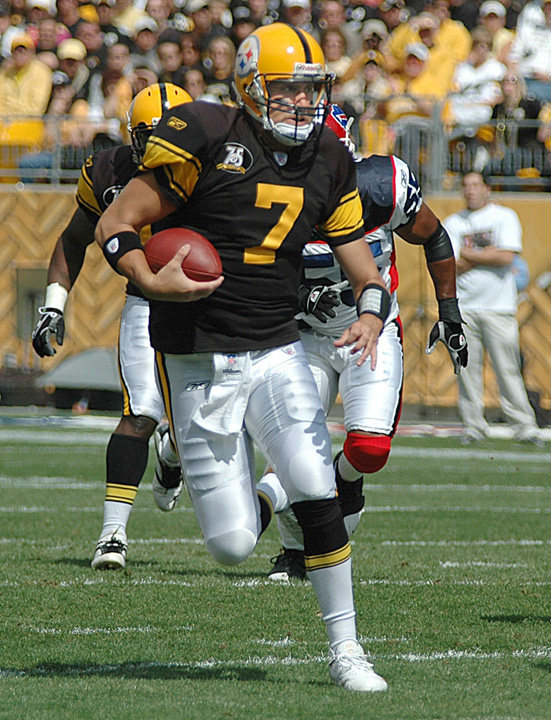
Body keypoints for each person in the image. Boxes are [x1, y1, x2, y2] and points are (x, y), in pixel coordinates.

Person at [94, 22, 390, 693]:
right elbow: (116, 226)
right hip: (197, 356)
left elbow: (364, 268)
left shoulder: (328, 156)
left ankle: (347, 649)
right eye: (287, 89)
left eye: (311, 89)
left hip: (278, 345)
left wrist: (372, 311)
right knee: (231, 543)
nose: (302, 102)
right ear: (253, 88)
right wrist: (149, 279)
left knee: (313, 481)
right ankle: (174, 450)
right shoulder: (204, 133)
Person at [266, 104, 468, 581]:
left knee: (370, 450)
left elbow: (435, 237)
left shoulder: (381, 185)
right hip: (302, 335)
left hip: (372, 329)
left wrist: (450, 310)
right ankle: (295, 552)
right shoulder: (271, 195)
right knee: (294, 451)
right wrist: (298, 294)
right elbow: (246, 270)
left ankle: (342, 480)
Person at [31, 83, 193, 570]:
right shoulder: (109, 172)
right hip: (145, 300)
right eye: (151, 136)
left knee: (204, 423)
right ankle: (112, 535)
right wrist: (53, 305)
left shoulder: (215, 172)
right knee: (140, 412)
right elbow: (74, 238)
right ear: (133, 135)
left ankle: (174, 451)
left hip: (207, 303)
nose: (162, 147)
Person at [443, 171, 543, 445]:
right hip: (464, 307)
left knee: (507, 369)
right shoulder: (453, 222)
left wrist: (469, 253)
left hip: (499, 307)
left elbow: (507, 256)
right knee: (467, 370)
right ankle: (473, 426)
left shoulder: (504, 216)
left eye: (476, 185)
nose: (470, 191)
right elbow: (451, 265)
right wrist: (489, 254)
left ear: (487, 189)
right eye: (466, 186)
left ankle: (524, 426)